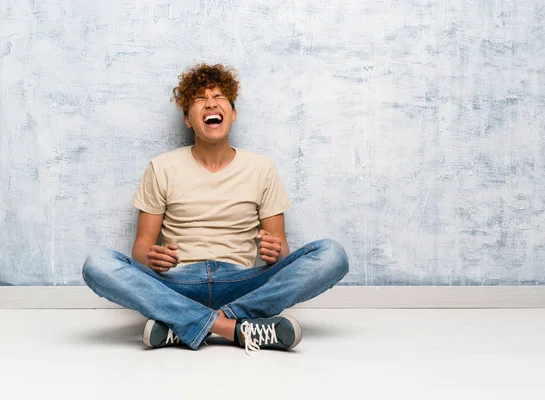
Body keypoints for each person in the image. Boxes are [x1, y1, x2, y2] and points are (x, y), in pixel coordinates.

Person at [82, 63, 349, 354]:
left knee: (332, 254)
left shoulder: (262, 168)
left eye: (219, 97)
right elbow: (141, 248)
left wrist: (275, 252)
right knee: (98, 263)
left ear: (232, 114)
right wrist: (151, 257)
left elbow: (280, 251)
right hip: (178, 283)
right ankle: (232, 328)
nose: (210, 103)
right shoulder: (162, 167)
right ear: (188, 119)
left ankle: (184, 324)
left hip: (243, 281)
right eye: (199, 99)